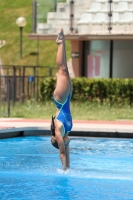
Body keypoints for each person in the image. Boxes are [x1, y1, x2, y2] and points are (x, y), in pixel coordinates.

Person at [51, 27, 73, 170]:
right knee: (66, 69)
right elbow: (67, 153)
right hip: (68, 97)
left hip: (61, 100)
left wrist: (63, 169)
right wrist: (69, 169)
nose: (66, 143)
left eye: (63, 143)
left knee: (62, 70)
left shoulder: (59, 131)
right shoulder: (67, 131)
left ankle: (59, 42)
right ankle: (63, 40)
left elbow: (62, 153)